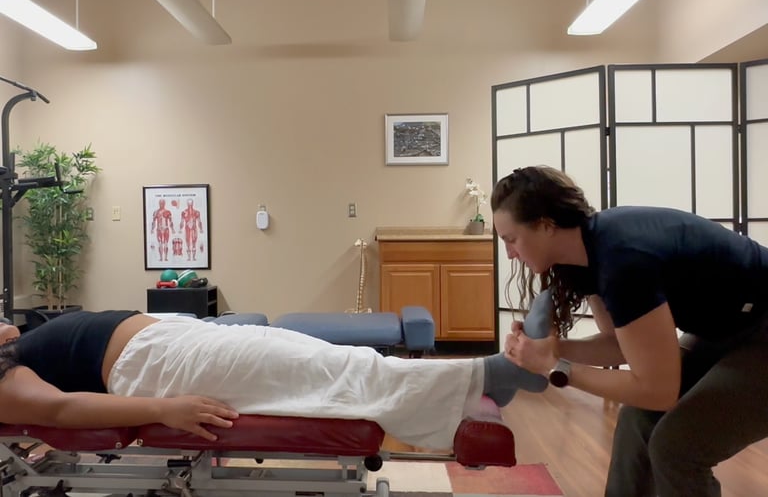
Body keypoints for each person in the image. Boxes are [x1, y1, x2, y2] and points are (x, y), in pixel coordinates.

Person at [494, 165, 768, 497]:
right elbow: (620, 346)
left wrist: (556, 368)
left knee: (676, 448)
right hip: (728, 327)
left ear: (546, 225)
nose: (510, 253)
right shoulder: (587, 255)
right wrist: (552, 349)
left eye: (512, 239)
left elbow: (658, 390)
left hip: (759, 328)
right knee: (636, 422)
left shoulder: (622, 260)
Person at [0, 305, 551, 450]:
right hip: (154, 369)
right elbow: (57, 411)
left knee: (318, 356)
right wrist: (162, 410)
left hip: (168, 340)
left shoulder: (11, 344)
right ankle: (486, 376)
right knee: (324, 374)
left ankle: (476, 379)